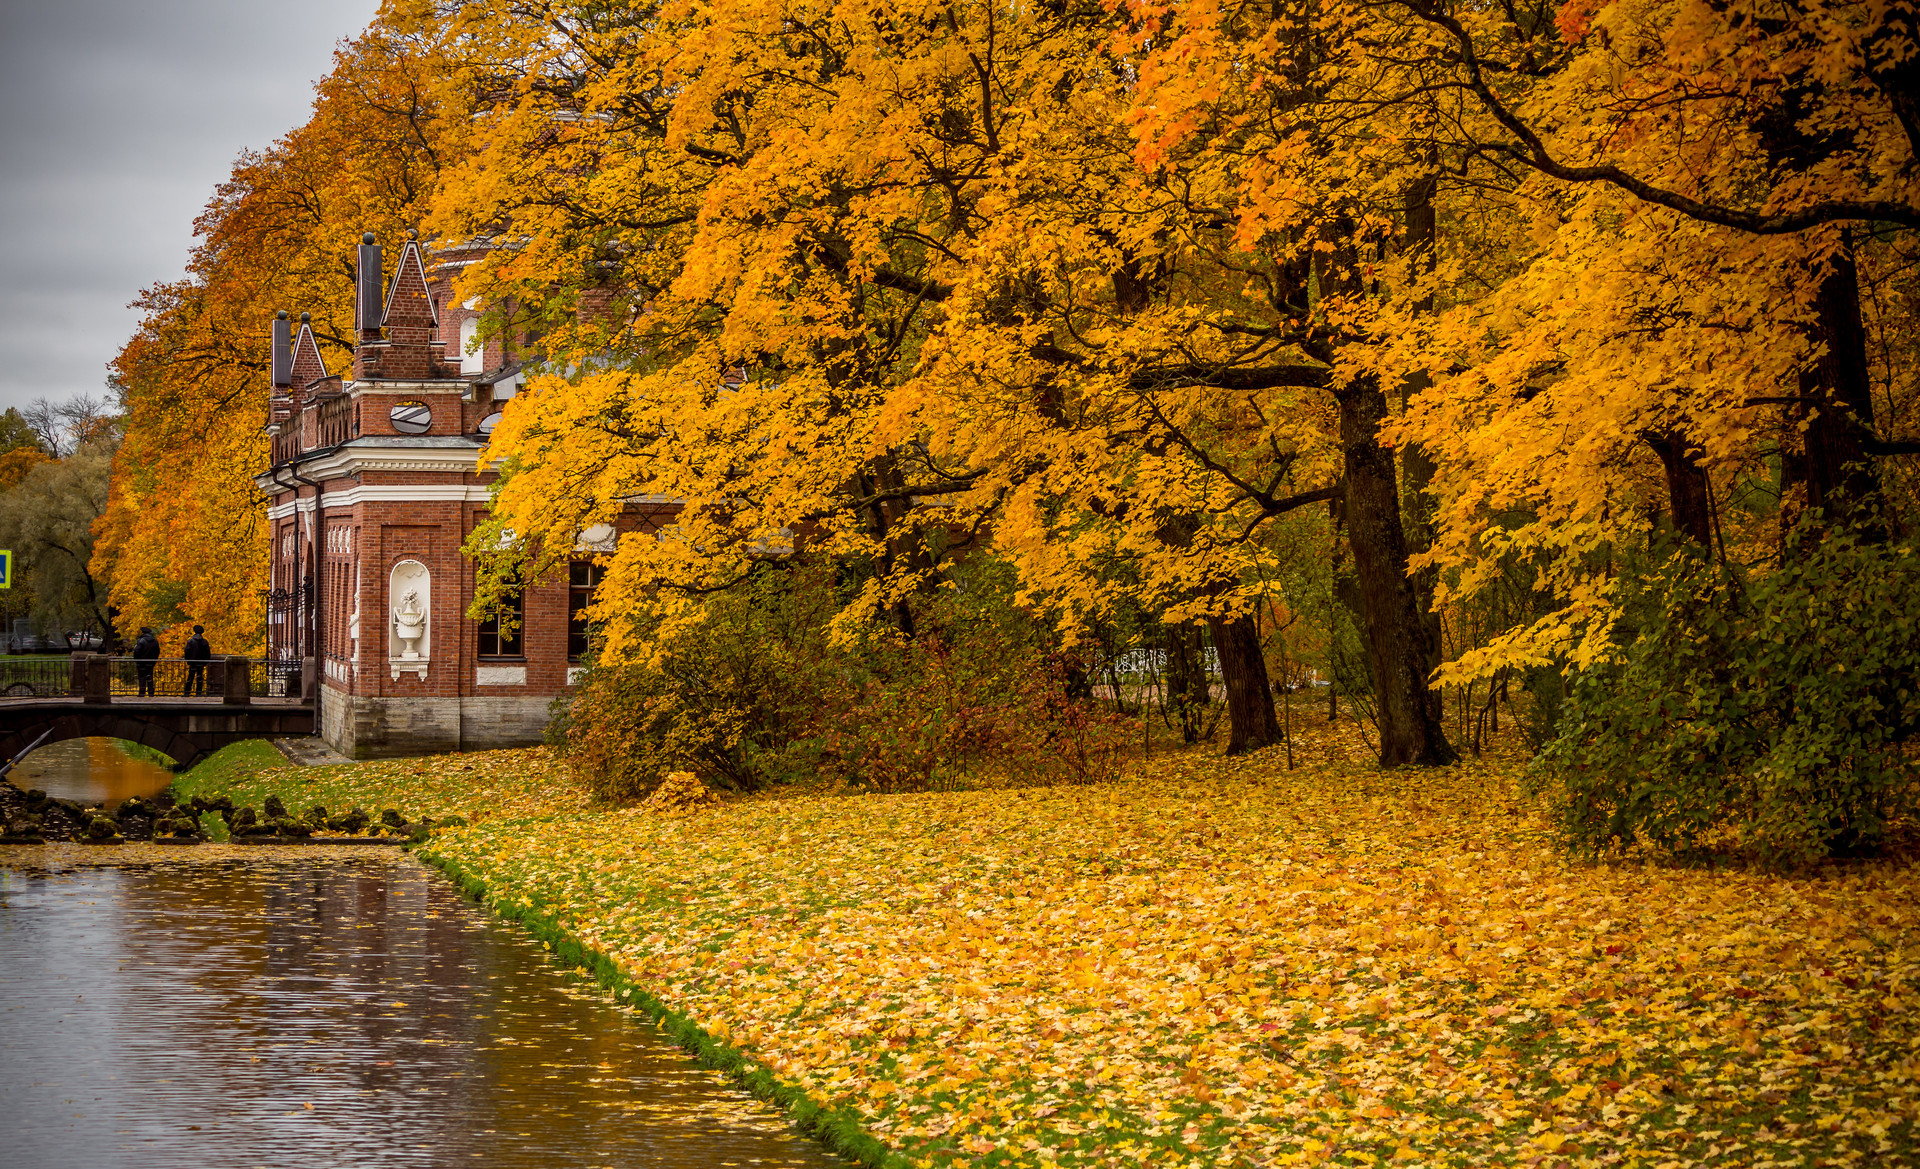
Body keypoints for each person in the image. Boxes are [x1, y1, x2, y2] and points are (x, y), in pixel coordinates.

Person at [183, 624, 212, 697]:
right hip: (201, 662)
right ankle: (198, 693)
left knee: (190, 677)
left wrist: (188, 660)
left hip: (192, 662)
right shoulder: (204, 642)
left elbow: (187, 651)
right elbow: (208, 653)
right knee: (199, 678)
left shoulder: (191, 641)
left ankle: (187, 692)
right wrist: (205, 661)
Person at [132, 626, 160, 697]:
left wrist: (136, 660)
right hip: (151, 662)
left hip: (141, 662)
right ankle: (151, 693)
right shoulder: (155, 641)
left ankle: (142, 693)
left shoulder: (141, 640)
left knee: (142, 677)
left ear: (143, 633)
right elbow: (157, 651)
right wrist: (154, 660)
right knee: (150, 677)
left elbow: (137, 651)